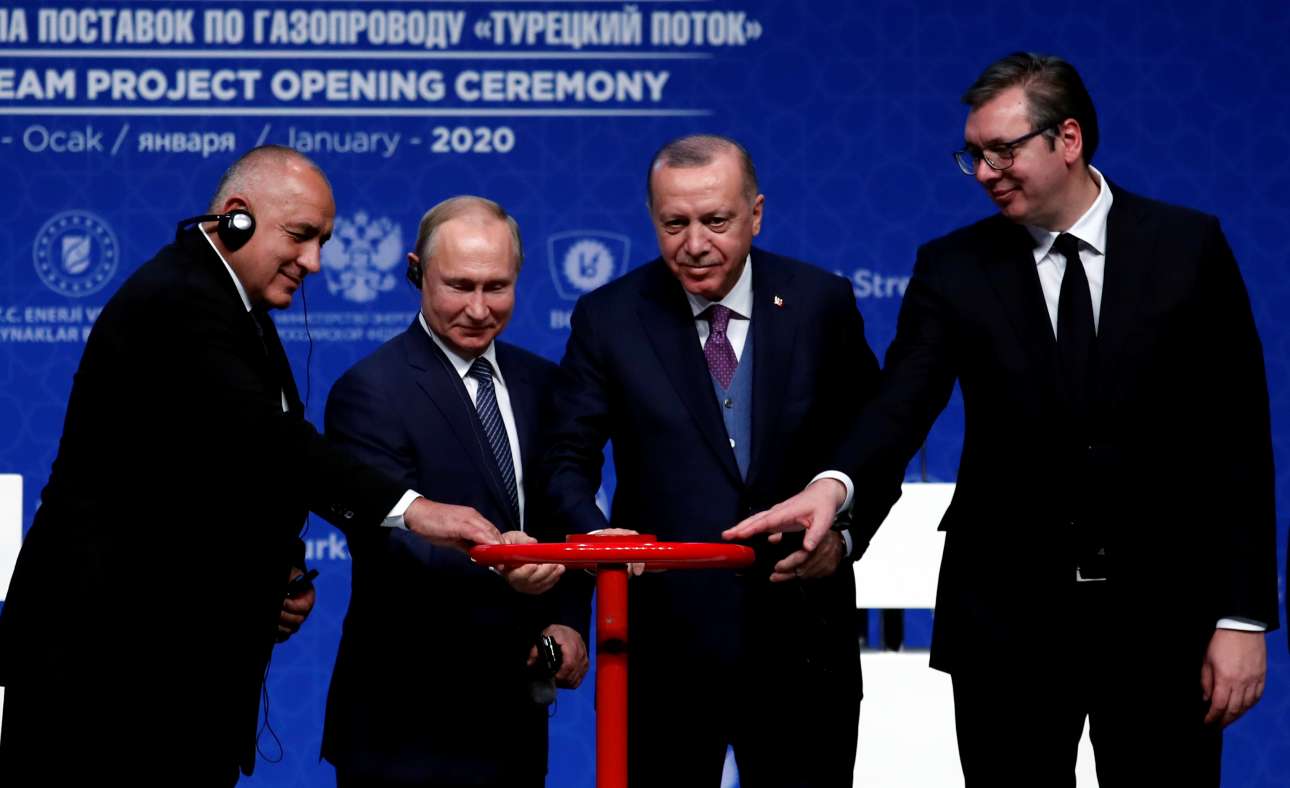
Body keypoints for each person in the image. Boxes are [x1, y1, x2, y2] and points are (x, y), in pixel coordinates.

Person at [725, 53, 1279, 786]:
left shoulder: (1188, 247)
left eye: (1002, 151)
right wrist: (836, 483)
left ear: (1068, 139)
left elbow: (1239, 440)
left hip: (1162, 619)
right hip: (1008, 622)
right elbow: (901, 403)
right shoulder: (953, 268)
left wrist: (1242, 618)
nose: (985, 172)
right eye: (974, 155)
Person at [0, 146, 501, 784]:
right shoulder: (181, 299)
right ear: (236, 217)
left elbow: (219, 472)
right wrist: (415, 510)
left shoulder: (233, 307)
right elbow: (271, 443)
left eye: (322, 241)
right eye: (300, 235)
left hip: (160, 678)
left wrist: (275, 572)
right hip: (103, 673)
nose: (314, 262)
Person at [545, 134, 891, 785]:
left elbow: (876, 445)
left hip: (803, 646)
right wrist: (597, 540)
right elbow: (564, 459)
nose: (695, 243)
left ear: (755, 214)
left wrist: (844, 538)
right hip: (662, 650)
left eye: (716, 220)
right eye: (674, 223)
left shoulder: (822, 303)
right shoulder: (609, 318)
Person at [321, 196, 590, 787]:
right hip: (405, 720)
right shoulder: (369, 390)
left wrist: (568, 620)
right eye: (459, 286)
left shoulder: (544, 384)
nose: (478, 308)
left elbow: (564, 515)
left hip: (517, 714)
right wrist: (499, 566)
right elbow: (386, 540)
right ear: (416, 272)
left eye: (497, 287)